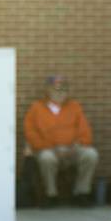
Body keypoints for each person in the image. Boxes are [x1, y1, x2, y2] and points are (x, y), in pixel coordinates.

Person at [23, 75, 99, 207]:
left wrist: (77, 145)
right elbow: (30, 132)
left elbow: (85, 131)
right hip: (48, 150)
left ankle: (81, 193)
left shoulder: (74, 106)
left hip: (72, 149)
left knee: (90, 154)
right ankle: (50, 195)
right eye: (56, 89)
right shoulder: (37, 108)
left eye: (63, 89)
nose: (60, 93)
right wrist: (51, 147)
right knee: (47, 158)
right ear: (48, 90)